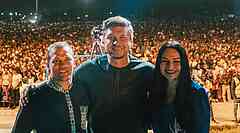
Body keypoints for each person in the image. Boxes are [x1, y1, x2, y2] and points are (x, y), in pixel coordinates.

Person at [20, 16, 154, 133]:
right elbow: (64, 79)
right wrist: (33, 89)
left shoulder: (147, 71)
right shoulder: (88, 70)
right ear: (102, 41)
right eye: (110, 37)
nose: (116, 42)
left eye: (122, 37)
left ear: (131, 40)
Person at [12, 42, 86, 133]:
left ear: (74, 62)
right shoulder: (34, 96)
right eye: (56, 61)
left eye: (67, 60)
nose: (63, 65)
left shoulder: (84, 90)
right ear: (48, 65)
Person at [149, 41, 210, 133]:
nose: (170, 67)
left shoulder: (197, 93)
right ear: (159, 64)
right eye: (165, 61)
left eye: (176, 61)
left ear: (183, 64)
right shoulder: (155, 92)